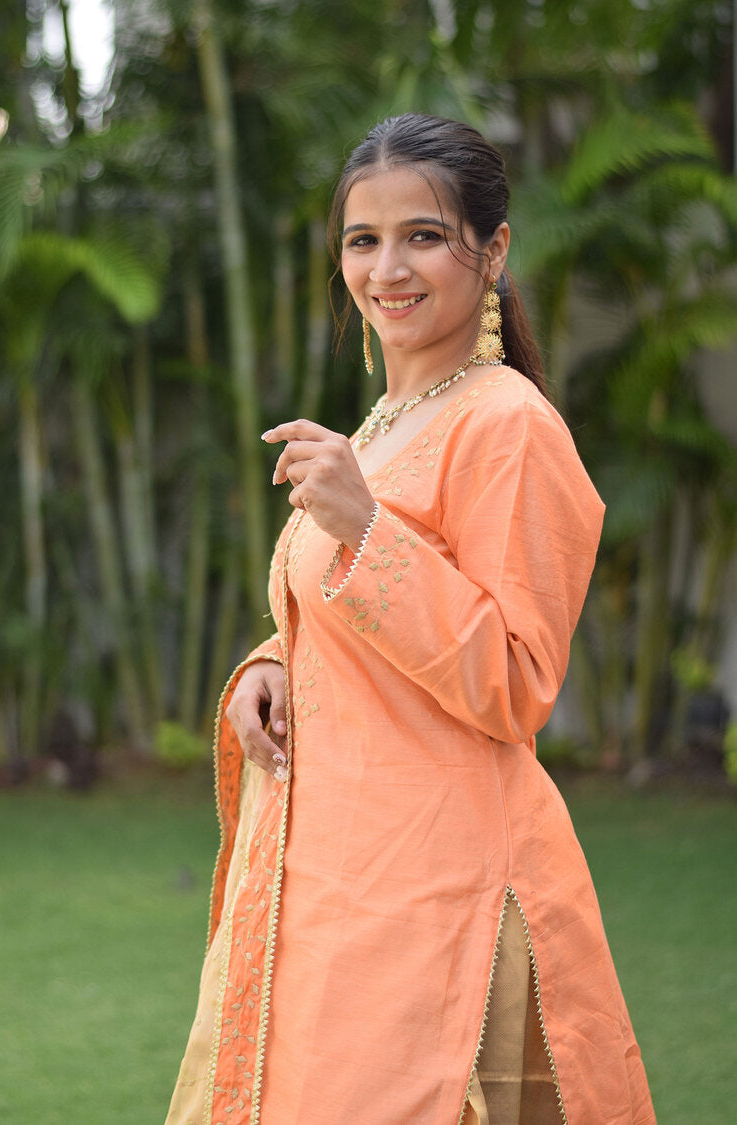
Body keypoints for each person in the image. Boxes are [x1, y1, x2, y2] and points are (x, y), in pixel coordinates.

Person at [165, 113, 656, 1125]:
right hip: (338, 886)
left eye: (423, 235)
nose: (388, 267)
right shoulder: (391, 424)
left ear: (494, 248)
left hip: (442, 896)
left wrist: (365, 531)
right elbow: (355, 622)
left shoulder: (508, 425)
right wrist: (271, 662)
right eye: (363, 239)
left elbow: (516, 683)